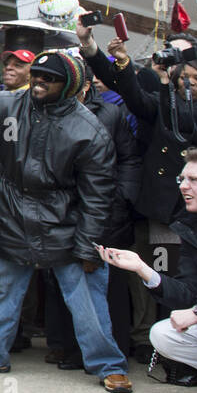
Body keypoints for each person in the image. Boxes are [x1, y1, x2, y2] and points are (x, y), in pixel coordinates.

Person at [0, 49, 132, 392]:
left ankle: (108, 365)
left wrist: (88, 246)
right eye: (37, 75)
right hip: (11, 217)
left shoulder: (89, 129)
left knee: (88, 302)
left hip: (66, 227)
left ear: (69, 84)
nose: (39, 82)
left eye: (50, 78)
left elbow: (98, 196)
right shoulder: (4, 105)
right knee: (0, 292)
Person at [80, 20, 197, 355]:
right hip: (163, 210)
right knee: (160, 273)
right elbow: (133, 93)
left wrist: (171, 77)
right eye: (186, 77)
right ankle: (154, 345)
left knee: (192, 281)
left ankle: (186, 353)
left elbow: (185, 119)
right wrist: (112, 57)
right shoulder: (164, 100)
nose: (189, 84)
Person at [102, 148, 197, 393]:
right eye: (181, 178)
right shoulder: (191, 228)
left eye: (193, 179)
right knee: (164, 333)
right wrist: (143, 269)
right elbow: (191, 292)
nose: (183, 186)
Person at [43, 75, 142, 367]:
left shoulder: (110, 113)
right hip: (64, 211)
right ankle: (71, 350)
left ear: (85, 86)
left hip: (108, 210)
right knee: (64, 281)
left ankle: (114, 351)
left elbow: (130, 159)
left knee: (109, 284)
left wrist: (123, 196)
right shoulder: (48, 111)